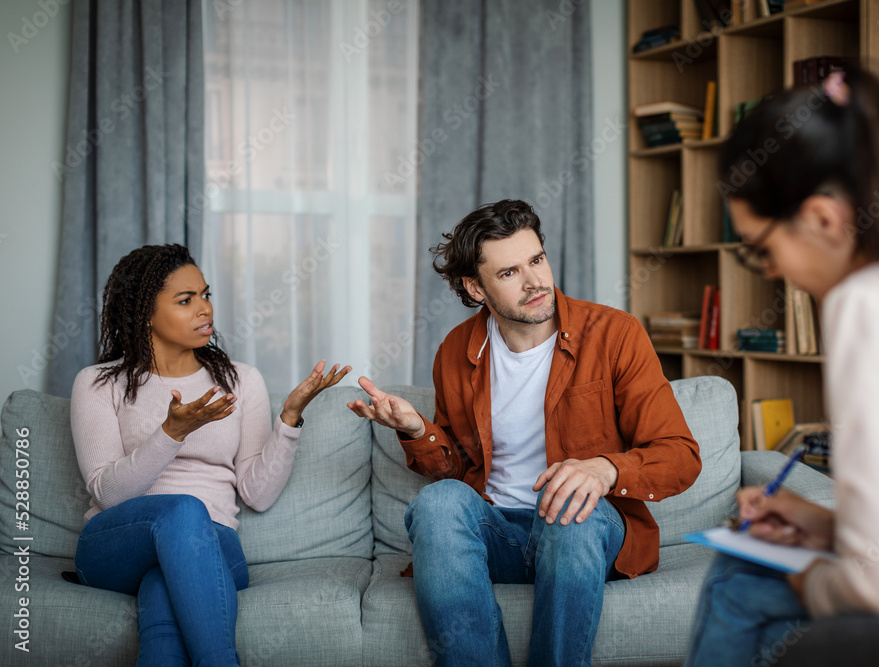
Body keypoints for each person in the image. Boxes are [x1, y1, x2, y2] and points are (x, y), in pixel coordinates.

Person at [685, 68, 879, 666]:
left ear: (825, 219)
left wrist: (813, 580)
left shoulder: (870, 301)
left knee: (738, 576)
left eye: (763, 251)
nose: (774, 273)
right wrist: (831, 529)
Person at [347, 199, 702, 666]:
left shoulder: (614, 334)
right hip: (500, 533)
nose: (536, 282)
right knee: (437, 504)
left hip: (586, 533)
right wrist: (416, 430)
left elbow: (680, 455)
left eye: (537, 260)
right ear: (476, 288)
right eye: (510, 272)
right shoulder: (456, 350)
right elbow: (453, 470)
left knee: (569, 506)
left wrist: (605, 469)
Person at [70, 244, 351, 666]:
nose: (204, 309)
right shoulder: (97, 383)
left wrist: (290, 419)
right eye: (186, 300)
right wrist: (171, 433)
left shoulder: (241, 380)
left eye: (206, 294)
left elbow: (257, 494)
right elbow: (109, 495)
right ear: (145, 312)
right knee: (183, 511)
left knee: (165, 597)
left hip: (213, 548)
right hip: (116, 547)